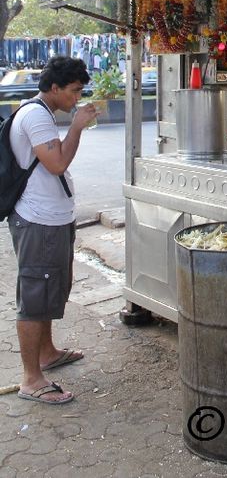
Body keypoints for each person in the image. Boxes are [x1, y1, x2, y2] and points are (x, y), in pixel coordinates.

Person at [8, 56, 98, 405]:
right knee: (35, 297)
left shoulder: (42, 113)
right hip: (38, 220)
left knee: (51, 288)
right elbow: (57, 162)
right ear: (55, 88)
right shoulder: (34, 115)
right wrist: (76, 127)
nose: (78, 98)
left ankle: (47, 353)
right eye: (74, 91)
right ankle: (31, 379)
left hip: (51, 219)